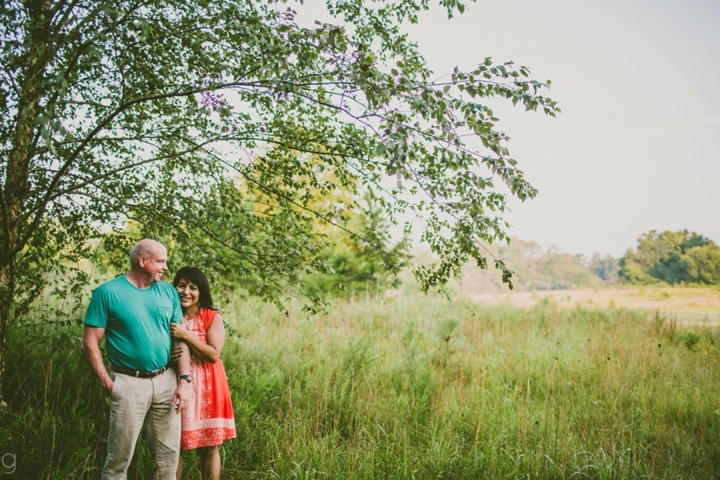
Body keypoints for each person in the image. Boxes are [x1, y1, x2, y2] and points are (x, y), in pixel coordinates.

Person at [81, 239, 192, 480]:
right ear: (143, 261)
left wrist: (184, 380)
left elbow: (180, 340)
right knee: (118, 460)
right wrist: (107, 382)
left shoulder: (168, 292)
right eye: (161, 261)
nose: (165, 267)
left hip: (166, 381)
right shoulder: (108, 293)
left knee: (168, 461)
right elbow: (90, 343)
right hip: (128, 383)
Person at [170, 267, 236, 480]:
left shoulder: (211, 316)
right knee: (173, 445)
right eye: (181, 285)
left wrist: (186, 335)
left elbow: (214, 354)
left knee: (209, 446)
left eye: (193, 287)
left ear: (202, 292)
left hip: (209, 384)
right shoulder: (169, 315)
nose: (186, 292)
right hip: (177, 382)